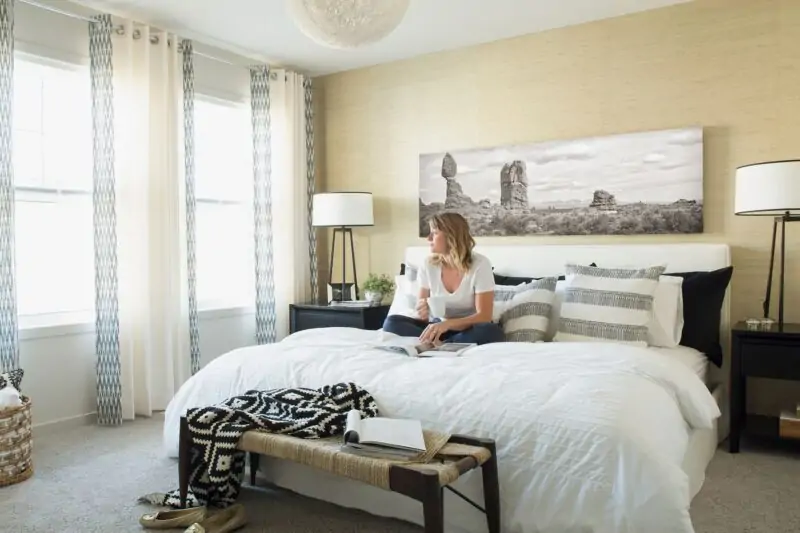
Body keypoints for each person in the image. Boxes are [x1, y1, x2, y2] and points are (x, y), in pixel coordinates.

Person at [382, 212, 505, 346]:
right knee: (392, 322)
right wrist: (422, 311)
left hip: (470, 329)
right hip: (438, 328)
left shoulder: (480, 265)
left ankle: (440, 344)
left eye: (434, 233)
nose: (428, 238)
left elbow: (484, 316)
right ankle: (446, 344)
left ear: (451, 236)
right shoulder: (428, 265)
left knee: (491, 331)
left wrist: (448, 324)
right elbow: (423, 314)